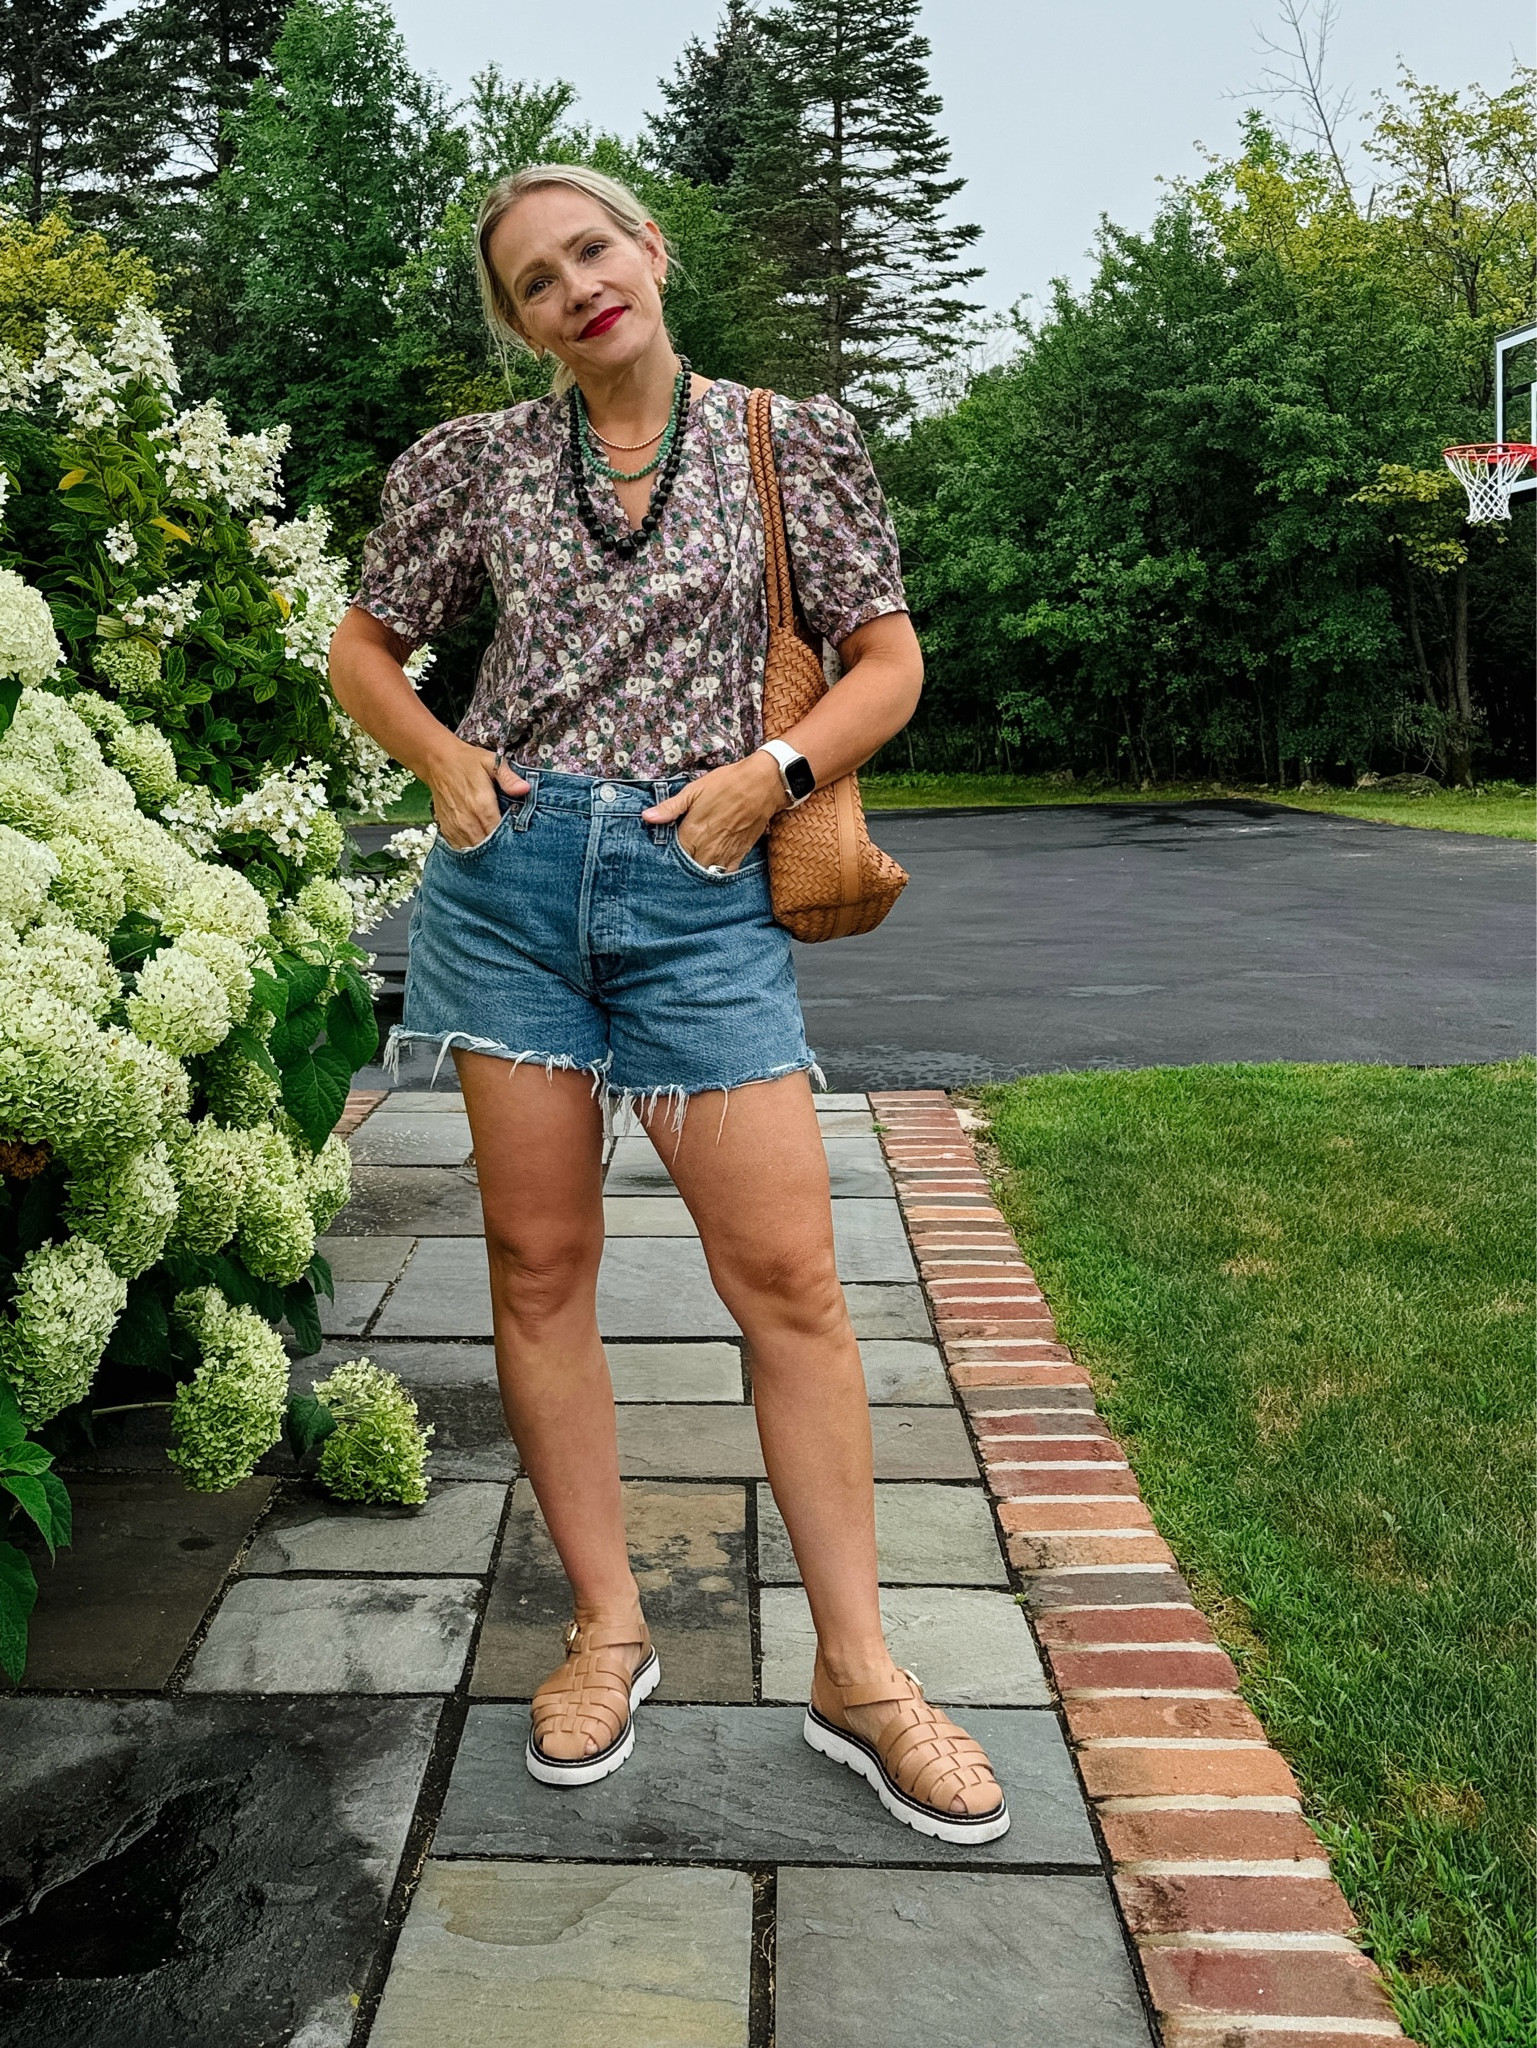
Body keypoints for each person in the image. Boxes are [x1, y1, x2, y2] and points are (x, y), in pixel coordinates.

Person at [328, 163, 1007, 1843]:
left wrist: (762, 775)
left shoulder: (790, 439)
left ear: (649, 249)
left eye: (593, 250)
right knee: (540, 1268)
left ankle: (857, 1673)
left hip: (701, 886)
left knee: (786, 1279)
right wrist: (439, 758)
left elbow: (887, 666)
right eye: (535, 280)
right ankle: (608, 1628)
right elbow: (362, 650)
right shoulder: (472, 464)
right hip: (508, 891)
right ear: (519, 320)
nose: (575, 288)